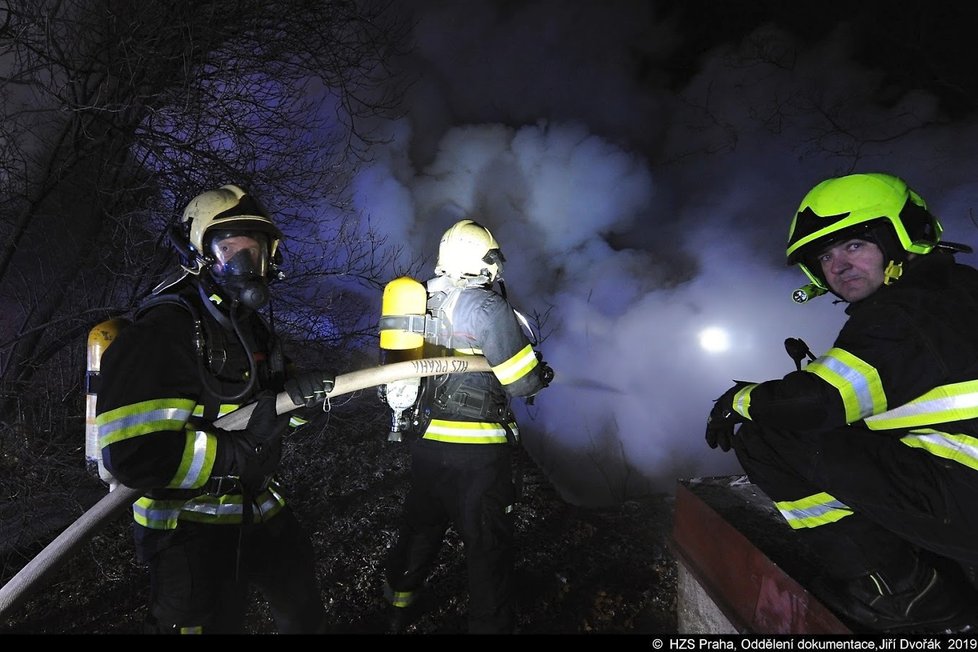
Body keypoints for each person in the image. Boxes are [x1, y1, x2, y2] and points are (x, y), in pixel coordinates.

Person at [704, 172, 978, 633]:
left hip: (968, 497)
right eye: (825, 256)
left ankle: (905, 596)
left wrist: (742, 398)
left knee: (770, 436)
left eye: (853, 245)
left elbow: (817, 403)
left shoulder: (903, 311)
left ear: (900, 237)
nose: (838, 265)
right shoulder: (953, 289)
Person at [96, 184, 335, 634]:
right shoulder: (162, 334)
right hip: (186, 527)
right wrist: (235, 453)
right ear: (199, 255)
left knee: (304, 613)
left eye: (255, 251)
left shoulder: (250, 329)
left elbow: (271, 413)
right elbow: (132, 456)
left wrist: (303, 403)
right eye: (230, 250)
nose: (246, 266)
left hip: (257, 507)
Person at [382, 219, 553, 634]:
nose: (497, 269)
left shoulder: (424, 299)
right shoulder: (486, 307)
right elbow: (521, 380)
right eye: (493, 260)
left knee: (422, 529)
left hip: (426, 444)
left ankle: (397, 610)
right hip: (478, 453)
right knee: (486, 546)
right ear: (484, 263)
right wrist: (541, 375)